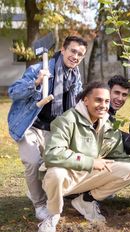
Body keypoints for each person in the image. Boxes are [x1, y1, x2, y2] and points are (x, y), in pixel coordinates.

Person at [37, 83, 130, 232]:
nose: (103, 105)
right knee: (56, 173)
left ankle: (86, 201)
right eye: (98, 100)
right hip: (65, 179)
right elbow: (52, 154)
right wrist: (91, 162)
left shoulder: (108, 125)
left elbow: (121, 158)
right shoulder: (67, 120)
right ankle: (53, 214)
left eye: (106, 101)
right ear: (86, 100)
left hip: (88, 177)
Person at [7, 36, 88, 221]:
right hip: (30, 125)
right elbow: (13, 92)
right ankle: (39, 205)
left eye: (80, 55)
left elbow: (77, 101)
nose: (76, 57)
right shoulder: (39, 69)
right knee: (33, 162)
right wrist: (35, 82)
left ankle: (45, 190)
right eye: (73, 51)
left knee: (60, 163)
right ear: (63, 49)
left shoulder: (75, 76)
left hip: (55, 128)